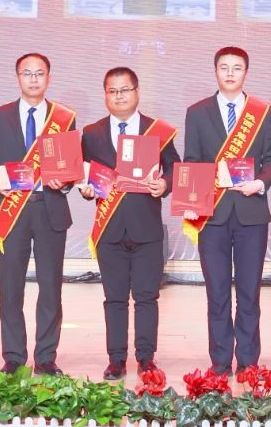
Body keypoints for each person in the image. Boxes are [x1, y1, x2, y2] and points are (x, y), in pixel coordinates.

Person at [0, 53, 77, 375]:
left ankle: (46, 357)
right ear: (17, 77)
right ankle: (14, 357)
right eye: (27, 73)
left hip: (50, 209)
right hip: (11, 210)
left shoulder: (63, 118)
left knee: (50, 287)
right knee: (10, 287)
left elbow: (71, 165)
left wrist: (65, 182)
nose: (33, 79)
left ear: (49, 78)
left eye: (39, 73)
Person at [182, 46, 271, 376]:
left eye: (237, 68)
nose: (230, 73)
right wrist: (197, 195)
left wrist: (261, 183)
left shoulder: (262, 113)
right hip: (212, 215)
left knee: (249, 292)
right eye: (224, 67)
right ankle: (221, 360)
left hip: (252, 213)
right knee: (218, 292)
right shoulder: (197, 112)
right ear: (215, 71)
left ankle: (248, 361)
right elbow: (192, 161)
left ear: (246, 73)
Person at [78, 67, 180, 380]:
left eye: (125, 90)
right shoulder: (92, 133)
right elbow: (83, 174)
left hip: (146, 228)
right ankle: (116, 360)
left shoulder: (156, 130)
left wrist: (164, 184)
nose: (119, 96)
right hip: (109, 229)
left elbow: (175, 169)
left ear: (137, 92)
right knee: (115, 298)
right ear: (105, 95)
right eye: (113, 91)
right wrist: (85, 189)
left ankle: (146, 358)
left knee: (147, 297)